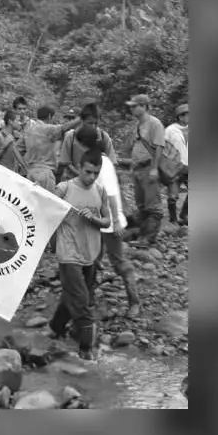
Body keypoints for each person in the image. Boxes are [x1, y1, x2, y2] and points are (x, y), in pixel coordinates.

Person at [47, 149, 112, 361]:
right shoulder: (64, 188)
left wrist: (94, 218)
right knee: (83, 302)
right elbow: (45, 209)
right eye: (88, 172)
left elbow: (107, 221)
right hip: (68, 252)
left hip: (91, 252)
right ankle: (86, 351)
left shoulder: (100, 190)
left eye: (96, 173)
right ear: (79, 168)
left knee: (72, 295)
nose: (91, 177)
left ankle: (55, 327)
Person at [75, 125, 142, 318]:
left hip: (110, 222)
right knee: (91, 260)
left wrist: (117, 222)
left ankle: (134, 302)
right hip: (96, 220)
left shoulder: (102, 164)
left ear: (82, 143)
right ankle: (89, 299)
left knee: (118, 262)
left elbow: (112, 194)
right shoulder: (93, 160)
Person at [122, 94, 166, 247]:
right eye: (132, 106)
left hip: (149, 167)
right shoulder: (138, 125)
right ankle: (142, 236)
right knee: (141, 204)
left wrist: (154, 168)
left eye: (135, 106)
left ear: (145, 106)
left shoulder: (155, 123)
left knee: (153, 205)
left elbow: (159, 147)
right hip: (138, 169)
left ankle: (149, 238)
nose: (132, 109)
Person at [16, 105, 82, 193]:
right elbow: (65, 127)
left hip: (30, 173)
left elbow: (15, 149)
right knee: (46, 205)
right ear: (50, 116)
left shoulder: (29, 130)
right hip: (45, 174)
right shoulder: (49, 129)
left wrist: (24, 166)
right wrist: (83, 117)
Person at [58, 103, 118, 182]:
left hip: (95, 183)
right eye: (90, 123)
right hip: (73, 181)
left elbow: (112, 163)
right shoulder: (71, 136)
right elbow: (65, 161)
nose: (93, 126)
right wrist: (81, 175)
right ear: (82, 121)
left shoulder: (104, 137)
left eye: (96, 123)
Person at [164, 103, 189, 225]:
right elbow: (163, 148)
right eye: (187, 115)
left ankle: (185, 214)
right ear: (180, 116)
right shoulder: (169, 130)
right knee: (172, 196)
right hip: (175, 166)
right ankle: (173, 220)